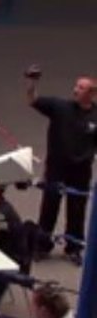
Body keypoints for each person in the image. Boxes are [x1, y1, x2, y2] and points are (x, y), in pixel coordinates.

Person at [27, 69, 97, 265]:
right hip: (57, 167)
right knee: (49, 206)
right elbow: (33, 100)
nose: (75, 90)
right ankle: (42, 245)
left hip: (81, 170)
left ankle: (73, 248)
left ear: (91, 93)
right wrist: (32, 83)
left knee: (77, 210)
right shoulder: (60, 107)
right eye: (76, 86)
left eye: (81, 88)